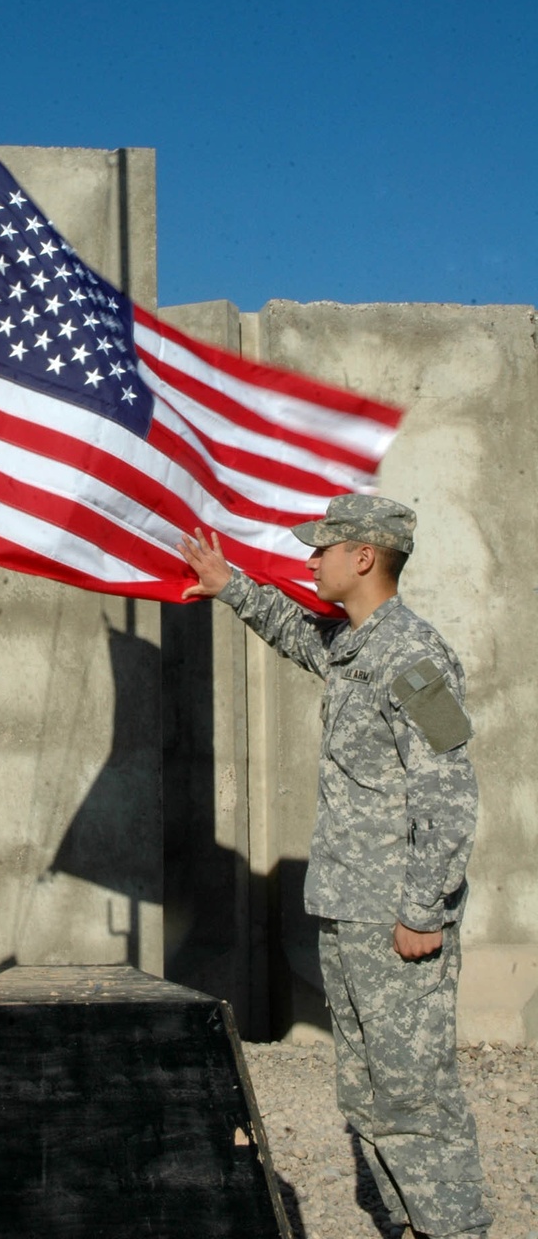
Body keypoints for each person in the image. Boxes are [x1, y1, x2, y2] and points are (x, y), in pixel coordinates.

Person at [179, 494, 489, 1239]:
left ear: (364, 556)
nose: (310, 559)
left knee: (415, 1100)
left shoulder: (411, 657)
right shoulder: (356, 646)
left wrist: (422, 909)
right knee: (369, 1098)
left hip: (394, 918)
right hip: (352, 911)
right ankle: (412, 1226)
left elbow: (448, 791)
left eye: (323, 548)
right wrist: (232, 586)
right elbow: (299, 634)